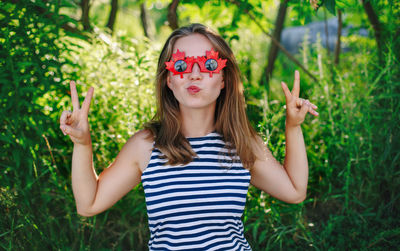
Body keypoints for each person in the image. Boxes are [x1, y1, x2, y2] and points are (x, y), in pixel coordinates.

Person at [59, 23, 318, 250]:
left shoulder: (242, 144)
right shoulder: (146, 146)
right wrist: (83, 143)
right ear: (169, 80)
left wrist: (292, 127)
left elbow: (295, 191)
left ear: (224, 79)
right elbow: (88, 204)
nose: (194, 74)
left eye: (208, 64)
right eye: (181, 65)